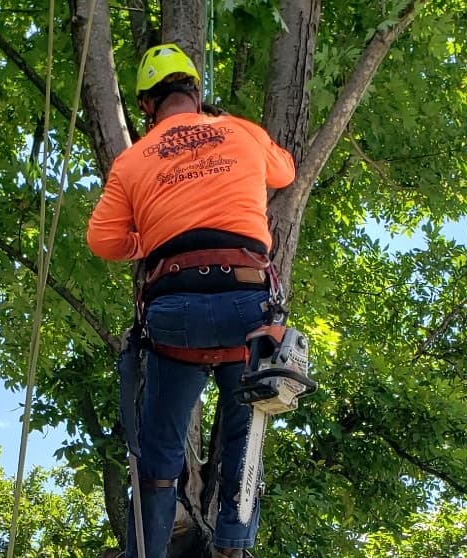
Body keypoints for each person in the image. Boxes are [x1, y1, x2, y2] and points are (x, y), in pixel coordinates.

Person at [86, 43, 295, 558]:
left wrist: (145, 242)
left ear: (145, 106)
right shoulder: (240, 132)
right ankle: (233, 546)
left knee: (157, 459)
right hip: (247, 304)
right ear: (196, 93)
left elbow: (103, 240)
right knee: (246, 438)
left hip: (175, 315)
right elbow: (285, 171)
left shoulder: (133, 160)